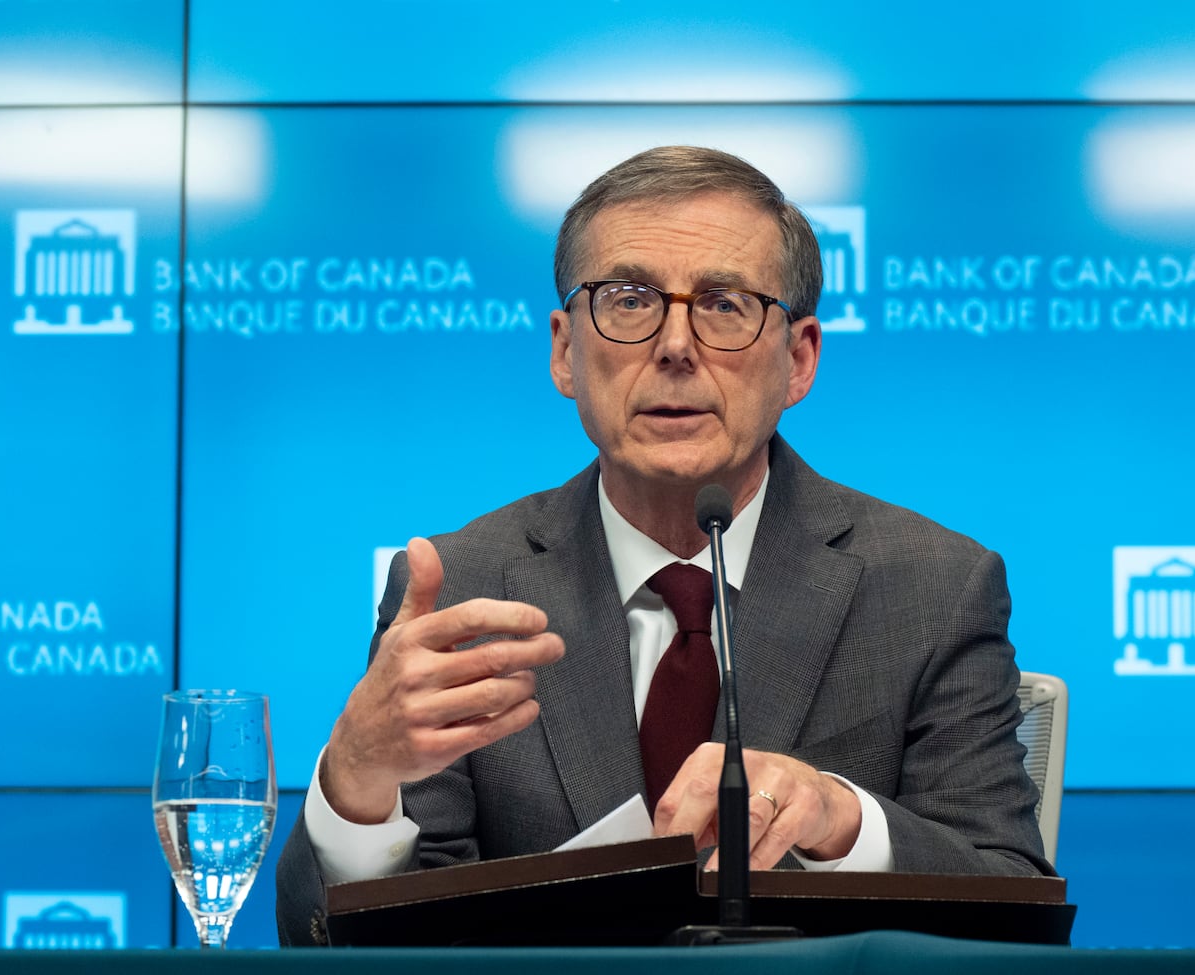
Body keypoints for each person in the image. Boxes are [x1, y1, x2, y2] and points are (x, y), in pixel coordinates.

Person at [276, 146, 1052, 946]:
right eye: (630, 299)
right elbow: (364, 949)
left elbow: (1011, 908)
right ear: (565, 351)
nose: (676, 345)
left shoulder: (931, 587)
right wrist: (357, 783)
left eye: (724, 304)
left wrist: (843, 820)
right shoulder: (465, 587)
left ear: (799, 358)